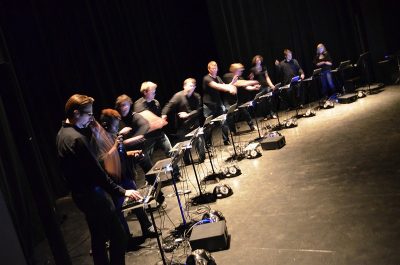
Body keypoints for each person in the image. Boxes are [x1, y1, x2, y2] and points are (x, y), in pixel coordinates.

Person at [56, 94, 142, 265]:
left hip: (81, 196)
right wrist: (123, 191)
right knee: (119, 236)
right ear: (76, 113)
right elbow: (98, 175)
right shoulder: (77, 139)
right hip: (94, 197)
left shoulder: (62, 134)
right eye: (89, 114)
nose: (91, 119)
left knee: (98, 238)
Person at [95, 109, 158, 239]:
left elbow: (121, 153)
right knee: (120, 210)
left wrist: (132, 153)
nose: (117, 127)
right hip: (115, 180)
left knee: (138, 204)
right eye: (115, 124)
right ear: (106, 124)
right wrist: (115, 145)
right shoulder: (99, 139)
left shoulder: (114, 134)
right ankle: (126, 238)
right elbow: (102, 160)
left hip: (126, 176)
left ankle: (147, 228)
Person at [115, 94, 167, 206]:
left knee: (150, 173)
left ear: (129, 105)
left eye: (125, 105)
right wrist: (124, 139)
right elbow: (114, 137)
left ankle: (160, 198)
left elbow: (145, 126)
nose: (123, 108)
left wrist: (131, 139)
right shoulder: (118, 120)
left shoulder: (135, 116)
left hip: (139, 150)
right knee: (129, 179)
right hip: (126, 154)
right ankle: (133, 203)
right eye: (120, 106)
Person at [133, 82, 181, 179]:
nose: (155, 93)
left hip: (159, 134)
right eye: (153, 91)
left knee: (171, 152)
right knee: (146, 159)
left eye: (155, 91)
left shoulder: (156, 102)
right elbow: (147, 121)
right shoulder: (138, 105)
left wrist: (162, 118)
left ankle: (176, 174)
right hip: (147, 137)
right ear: (145, 92)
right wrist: (159, 121)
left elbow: (158, 118)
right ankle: (150, 180)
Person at [161, 78, 206, 165]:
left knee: (200, 140)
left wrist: (188, 115)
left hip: (194, 123)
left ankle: (202, 159)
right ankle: (187, 161)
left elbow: (199, 109)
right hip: (182, 125)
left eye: (193, 86)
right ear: (184, 86)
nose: (191, 88)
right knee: (185, 145)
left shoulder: (197, 96)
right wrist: (164, 114)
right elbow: (169, 105)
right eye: (190, 86)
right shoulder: (178, 96)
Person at [202, 61, 237, 145]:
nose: (215, 70)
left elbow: (224, 85)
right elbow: (218, 86)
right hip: (208, 106)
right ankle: (208, 144)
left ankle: (226, 140)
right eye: (213, 68)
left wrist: (232, 83)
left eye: (216, 68)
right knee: (209, 126)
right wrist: (229, 89)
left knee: (224, 121)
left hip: (218, 104)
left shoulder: (218, 78)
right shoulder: (207, 78)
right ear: (209, 69)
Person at [222, 63, 260, 134]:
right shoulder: (228, 76)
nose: (241, 72)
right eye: (240, 70)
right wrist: (253, 81)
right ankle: (233, 131)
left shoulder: (240, 77)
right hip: (229, 101)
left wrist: (253, 88)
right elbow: (238, 83)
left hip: (238, 100)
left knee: (245, 112)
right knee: (229, 116)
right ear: (235, 70)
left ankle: (252, 126)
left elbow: (246, 86)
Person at [249, 55, 277, 119]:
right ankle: (265, 115)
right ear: (255, 61)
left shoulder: (264, 67)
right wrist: (253, 83)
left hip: (266, 85)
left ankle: (272, 113)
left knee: (269, 100)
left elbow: (267, 77)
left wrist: (271, 85)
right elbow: (251, 80)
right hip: (260, 87)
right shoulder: (253, 69)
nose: (259, 61)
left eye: (259, 60)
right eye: (257, 60)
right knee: (262, 101)